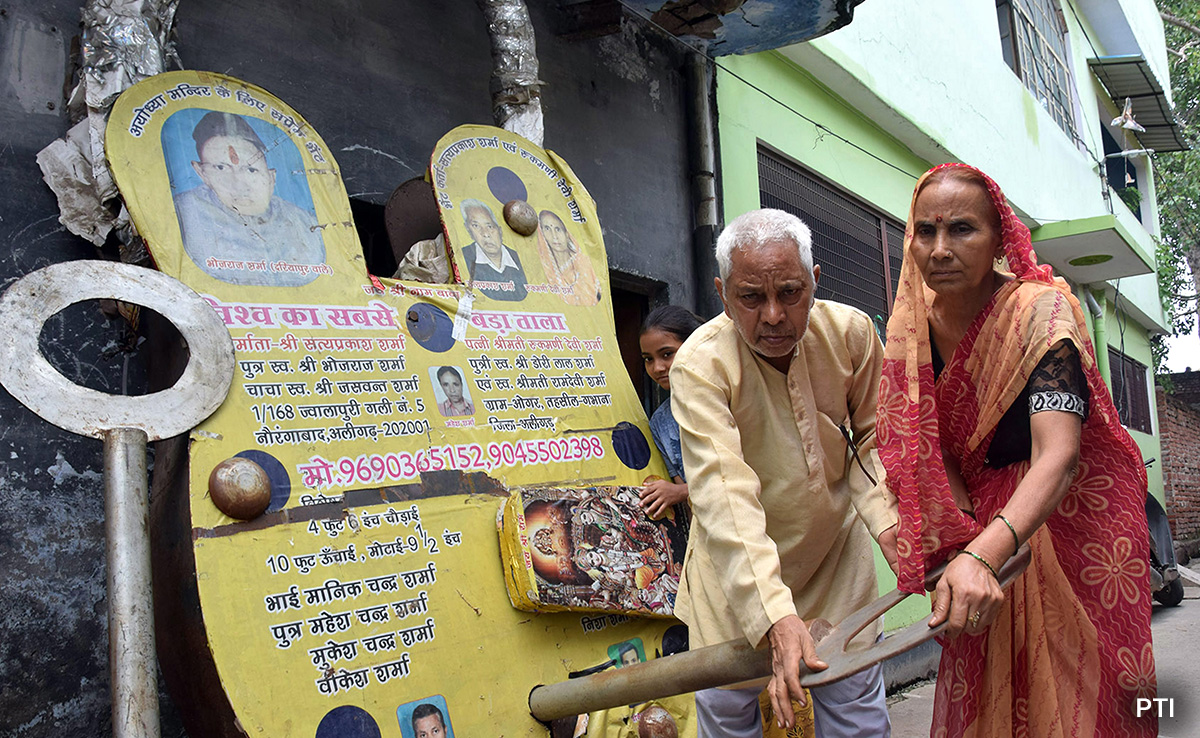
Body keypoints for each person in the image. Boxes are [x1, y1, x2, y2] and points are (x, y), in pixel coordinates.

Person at [876, 163, 1155, 737]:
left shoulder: (1040, 311)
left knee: (1075, 705)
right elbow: (929, 448)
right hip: (980, 535)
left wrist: (983, 554)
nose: (940, 249)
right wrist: (954, 544)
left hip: (1056, 529)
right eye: (925, 232)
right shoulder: (912, 332)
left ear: (1000, 237)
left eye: (962, 230)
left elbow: (1060, 454)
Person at [670, 208, 899, 736]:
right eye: (751, 297)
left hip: (836, 569)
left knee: (857, 719)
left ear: (815, 282)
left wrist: (891, 526)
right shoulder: (699, 366)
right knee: (730, 717)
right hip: (735, 585)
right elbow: (723, 492)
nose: (773, 315)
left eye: (790, 292)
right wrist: (774, 614)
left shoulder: (853, 334)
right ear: (722, 293)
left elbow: (874, 440)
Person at [173, 111, 326, 287]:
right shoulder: (182, 212)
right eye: (221, 168)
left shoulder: (306, 224)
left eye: (251, 170)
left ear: (271, 177)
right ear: (202, 173)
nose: (239, 185)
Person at [638, 305, 703, 519]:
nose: (657, 367)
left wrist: (680, 492)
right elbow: (681, 484)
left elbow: (753, 469)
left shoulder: (727, 397)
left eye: (667, 354)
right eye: (648, 359)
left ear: (694, 345)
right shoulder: (660, 422)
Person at [460, 198, 528, 301]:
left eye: (490, 226)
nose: (485, 234)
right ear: (469, 230)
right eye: (476, 226)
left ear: (500, 230)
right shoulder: (462, 257)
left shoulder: (521, 259)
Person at [535, 210, 602, 305]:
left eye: (558, 229)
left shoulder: (585, 263)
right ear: (542, 234)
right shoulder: (545, 272)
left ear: (566, 234)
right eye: (547, 229)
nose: (554, 236)